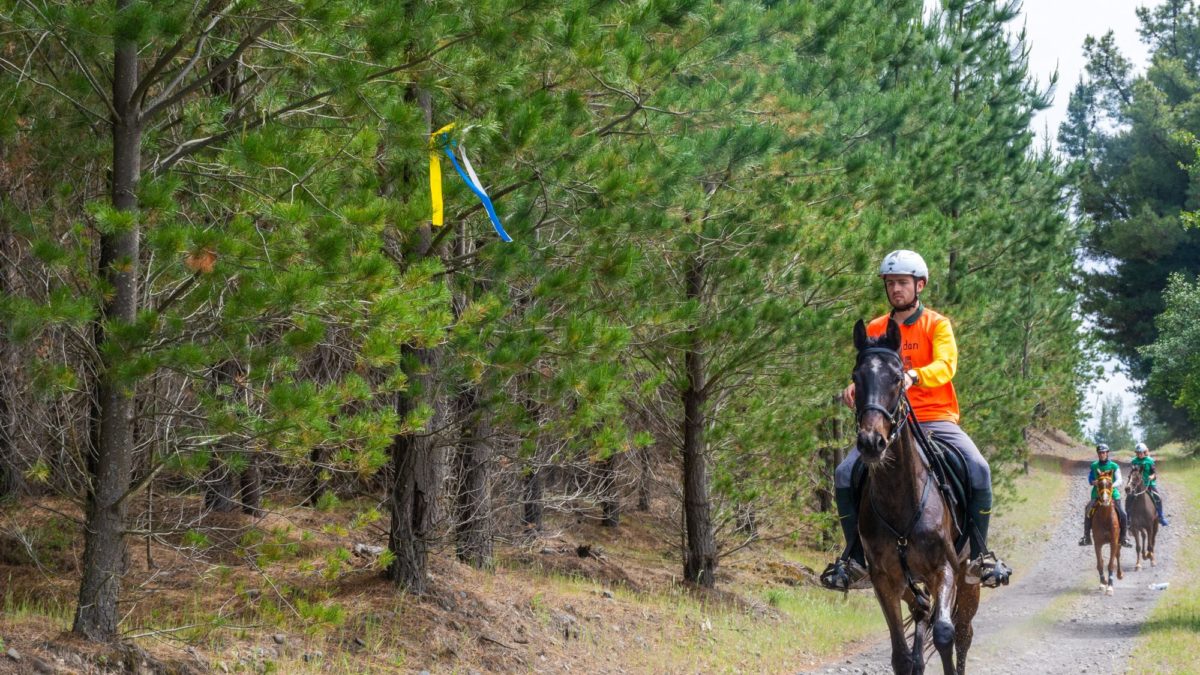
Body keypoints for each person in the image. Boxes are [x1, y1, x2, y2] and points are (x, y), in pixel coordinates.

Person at [819, 249, 1012, 591]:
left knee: (978, 467)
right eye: (891, 283)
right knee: (845, 472)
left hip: (936, 418)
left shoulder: (936, 325)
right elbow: (871, 369)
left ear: (919, 285)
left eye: (902, 283)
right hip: (889, 425)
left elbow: (946, 365)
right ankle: (854, 557)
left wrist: (915, 377)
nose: (896, 289)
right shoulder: (877, 327)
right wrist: (856, 386)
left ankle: (981, 554)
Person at [1078, 443, 1132, 546]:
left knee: (1123, 514)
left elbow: (1119, 480)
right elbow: (1090, 477)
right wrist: (1092, 481)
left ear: (1107, 453)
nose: (1102, 454)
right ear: (1098, 454)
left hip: (1112, 494)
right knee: (1088, 510)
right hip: (1097, 494)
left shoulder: (1114, 466)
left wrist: (1111, 485)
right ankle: (1086, 537)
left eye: (1104, 452)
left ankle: (1124, 538)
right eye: (1100, 453)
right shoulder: (1094, 465)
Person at [1130, 441, 1168, 526]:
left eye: (1141, 452)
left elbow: (1154, 473)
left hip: (1149, 484)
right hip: (1137, 484)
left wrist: (1152, 476)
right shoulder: (1134, 461)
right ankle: (1129, 519)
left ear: (1144, 452)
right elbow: (1132, 472)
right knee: (1129, 498)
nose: (1139, 454)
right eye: (1138, 453)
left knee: (1158, 497)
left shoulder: (1150, 461)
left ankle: (1161, 516)